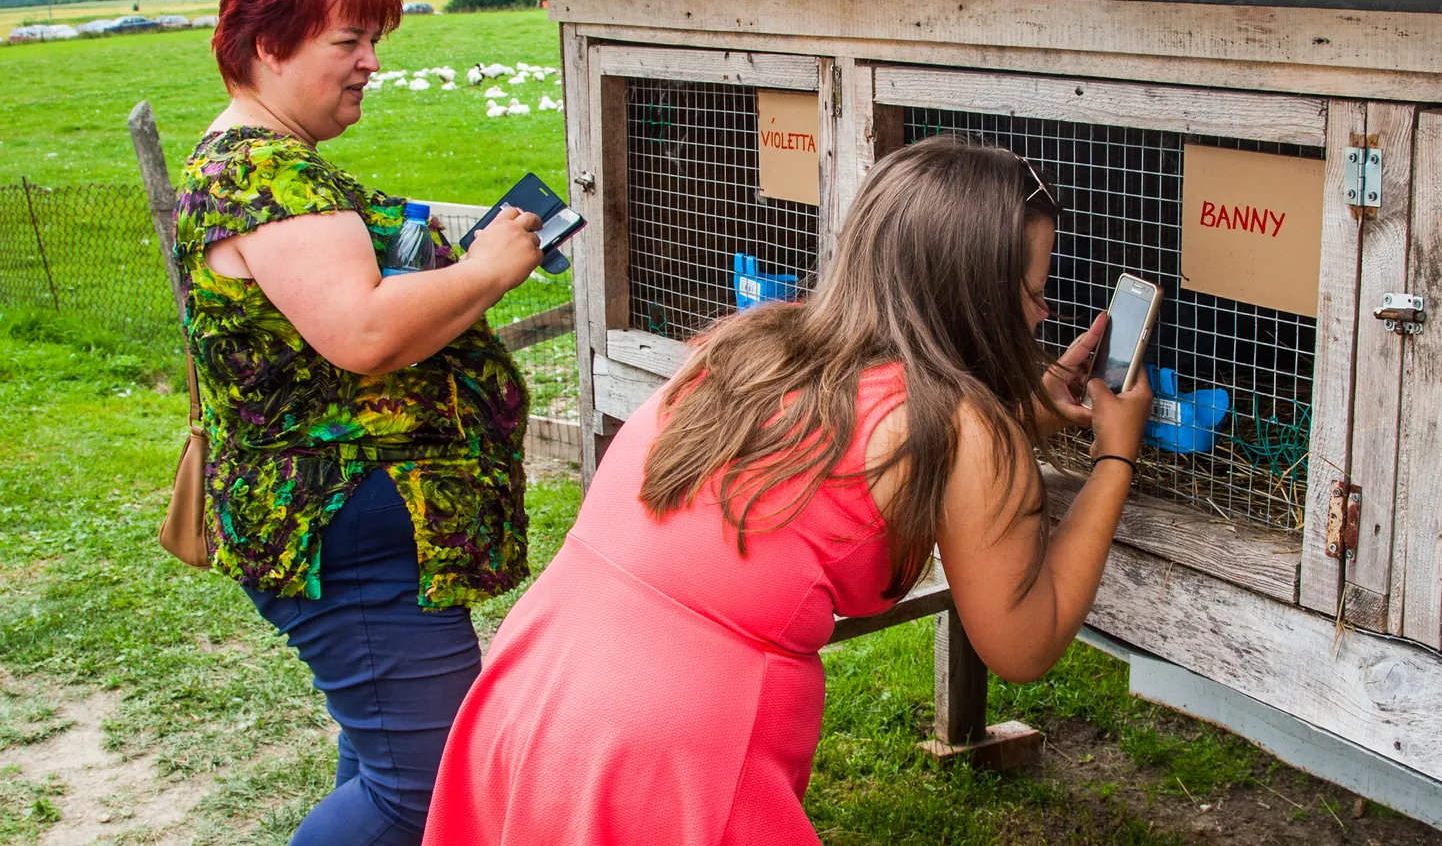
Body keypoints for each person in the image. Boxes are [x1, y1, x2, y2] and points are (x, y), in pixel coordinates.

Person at [421, 135, 1154, 845]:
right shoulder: (967, 432)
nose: (1044, 313)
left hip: (536, 686)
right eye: (1035, 289)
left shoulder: (755, 341)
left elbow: (871, 427)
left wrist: (1017, 405)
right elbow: (1024, 643)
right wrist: (1114, 458)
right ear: (980, 296)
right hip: (667, 754)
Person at [172, 0, 544, 846]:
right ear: (267, 45)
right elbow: (365, 332)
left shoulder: (264, 164)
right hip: (345, 533)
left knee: (387, 759)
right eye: (350, 41)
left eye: (374, 39)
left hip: (356, 529)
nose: (371, 61)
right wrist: (491, 268)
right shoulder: (264, 176)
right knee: (427, 789)